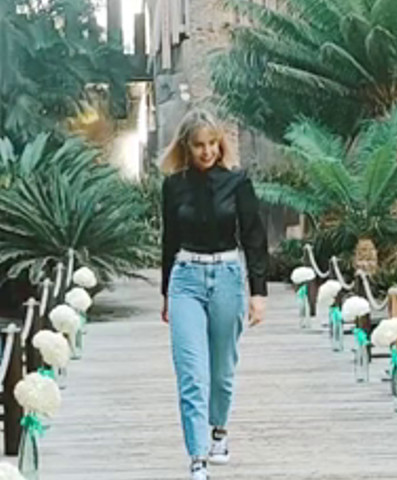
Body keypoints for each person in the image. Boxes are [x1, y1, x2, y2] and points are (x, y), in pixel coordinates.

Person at [160, 108, 268, 480]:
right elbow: (168, 241)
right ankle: (198, 457)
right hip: (186, 279)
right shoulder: (173, 186)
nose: (206, 152)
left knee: (222, 370)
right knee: (191, 373)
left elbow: (254, 238)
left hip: (226, 277)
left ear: (220, 144)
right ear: (187, 148)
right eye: (198, 146)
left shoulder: (237, 183)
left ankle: (219, 428)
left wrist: (258, 293)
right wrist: (165, 295)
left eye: (211, 144)